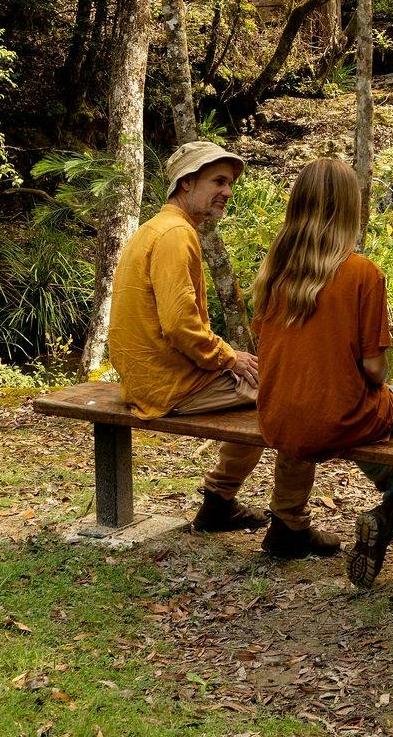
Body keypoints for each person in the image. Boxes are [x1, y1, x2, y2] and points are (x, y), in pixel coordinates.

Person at [107, 139, 317, 541]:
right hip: (170, 385)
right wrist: (228, 357)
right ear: (186, 183)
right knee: (288, 400)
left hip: (147, 379)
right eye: (218, 181)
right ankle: (290, 525)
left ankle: (218, 503)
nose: (227, 191)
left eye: (230, 183)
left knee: (263, 392)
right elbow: (179, 324)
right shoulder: (175, 235)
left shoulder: (155, 227)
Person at [252, 158, 393, 581]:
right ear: (351, 210)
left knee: (322, 401)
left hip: (275, 416)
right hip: (334, 419)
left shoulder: (274, 271)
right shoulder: (362, 273)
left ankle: (287, 522)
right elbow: (374, 369)